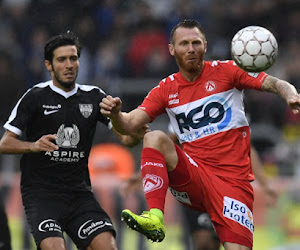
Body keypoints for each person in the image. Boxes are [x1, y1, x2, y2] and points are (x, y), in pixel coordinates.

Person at [100, 19, 300, 250]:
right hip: (195, 177)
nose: (191, 48)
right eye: (184, 43)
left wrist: (290, 95)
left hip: (232, 183)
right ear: (172, 49)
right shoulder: (165, 88)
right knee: (154, 137)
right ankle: (155, 216)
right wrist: (115, 115)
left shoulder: (228, 72)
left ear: (205, 45)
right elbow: (129, 124)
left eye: (196, 42)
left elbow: (275, 83)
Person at [0, 31, 147, 250]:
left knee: (108, 246)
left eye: (73, 58)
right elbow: (5, 144)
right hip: (42, 195)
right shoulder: (35, 97)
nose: (69, 65)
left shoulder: (94, 96)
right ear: (49, 65)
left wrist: (122, 120)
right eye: (62, 60)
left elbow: (128, 140)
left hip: (79, 195)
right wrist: (33, 146)